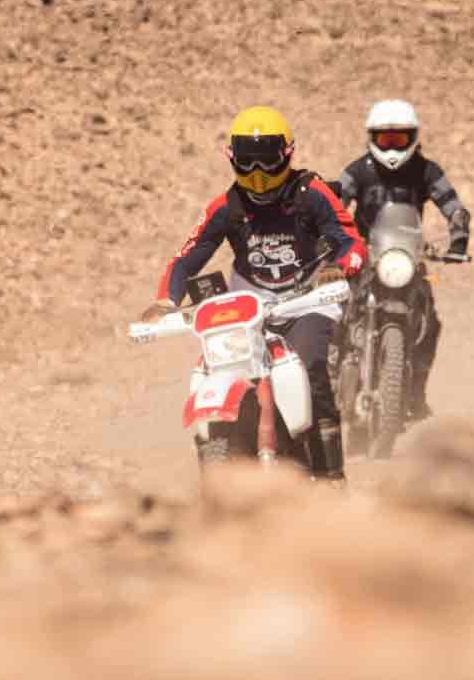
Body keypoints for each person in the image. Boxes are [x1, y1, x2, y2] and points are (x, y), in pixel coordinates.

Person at [141, 107, 366, 479]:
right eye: (248, 161)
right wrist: (166, 300)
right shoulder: (226, 207)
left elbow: (350, 240)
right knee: (210, 368)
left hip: (307, 298)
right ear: (233, 159)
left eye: (267, 160)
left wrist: (337, 268)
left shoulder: (312, 193)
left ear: (288, 154)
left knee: (310, 366)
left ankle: (330, 478)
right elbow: (186, 257)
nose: (258, 173)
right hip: (247, 308)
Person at [334, 100, 471, 418]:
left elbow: (454, 206)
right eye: (385, 139)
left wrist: (459, 238)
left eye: (399, 139)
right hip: (364, 256)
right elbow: (334, 204)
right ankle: (329, 381)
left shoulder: (426, 171)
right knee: (333, 313)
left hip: (407, 257)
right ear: (372, 138)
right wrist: (329, 238)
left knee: (430, 323)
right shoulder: (357, 171)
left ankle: (415, 394)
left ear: (413, 138)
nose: (392, 146)